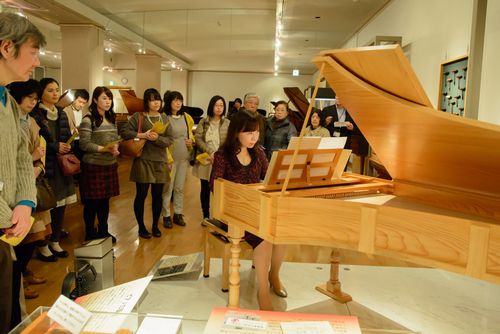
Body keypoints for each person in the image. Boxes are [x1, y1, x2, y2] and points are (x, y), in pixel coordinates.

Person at [210, 110, 287, 311]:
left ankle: (274, 275)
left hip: (255, 209)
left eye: (257, 132)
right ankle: (262, 290)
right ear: (237, 132)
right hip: (232, 212)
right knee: (266, 236)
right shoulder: (222, 155)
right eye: (249, 133)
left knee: (282, 231)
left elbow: (268, 177)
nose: (254, 137)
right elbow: (215, 185)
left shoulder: (259, 153)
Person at [0, 12, 44, 333]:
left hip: (6, 230)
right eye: (32, 52)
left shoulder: (10, 103)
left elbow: (19, 159)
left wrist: (26, 202)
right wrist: (7, 216)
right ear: (6, 47)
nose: (36, 62)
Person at [8, 79, 51, 312]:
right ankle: (18, 283)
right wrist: (31, 158)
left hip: (31, 186)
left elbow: (42, 149)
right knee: (18, 241)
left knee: (31, 238)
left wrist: (38, 166)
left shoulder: (31, 121)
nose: (33, 103)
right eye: (30, 98)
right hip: (13, 192)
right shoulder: (10, 120)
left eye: (36, 99)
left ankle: (21, 277)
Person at [30, 78, 76, 260]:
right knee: (46, 206)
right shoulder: (35, 114)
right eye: (50, 90)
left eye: (57, 90)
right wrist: (55, 147)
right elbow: (36, 144)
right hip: (44, 167)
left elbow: (64, 137)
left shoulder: (61, 113)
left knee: (61, 205)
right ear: (41, 93)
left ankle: (55, 241)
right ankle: (42, 244)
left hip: (61, 165)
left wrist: (67, 144)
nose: (55, 93)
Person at [121, 88, 172, 239]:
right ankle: (141, 227)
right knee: (141, 195)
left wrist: (156, 139)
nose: (156, 102)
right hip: (142, 160)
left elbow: (169, 140)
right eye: (152, 99)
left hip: (160, 161)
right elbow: (124, 131)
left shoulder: (164, 119)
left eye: (158, 99)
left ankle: (155, 225)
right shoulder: (139, 116)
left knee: (158, 196)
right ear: (146, 102)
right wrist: (143, 135)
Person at [78, 87, 121, 243]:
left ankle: (103, 230)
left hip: (110, 164)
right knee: (91, 203)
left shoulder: (112, 119)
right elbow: (84, 144)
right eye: (104, 98)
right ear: (95, 100)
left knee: (105, 202)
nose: (107, 101)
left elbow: (113, 138)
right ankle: (90, 232)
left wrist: (115, 148)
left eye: (109, 98)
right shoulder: (88, 120)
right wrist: (104, 149)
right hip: (93, 165)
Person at [192, 95, 229, 220]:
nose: (219, 108)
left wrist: (219, 155)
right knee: (205, 188)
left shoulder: (227, 123)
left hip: (221, 160)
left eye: (221, 105)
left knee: (219, 190)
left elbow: (230, 141)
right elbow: (198, 138)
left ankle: (218, 216)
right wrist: (209, 151)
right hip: (206, 159)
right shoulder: (204, 121)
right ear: (211, 106)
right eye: (216, 105)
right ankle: (206, 216)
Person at [161, 91, 194, 228]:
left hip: (183, 158)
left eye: (180, 100)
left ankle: (178, 214)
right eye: (175, 100)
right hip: (169, 159)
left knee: (179, 188)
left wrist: (190, 141)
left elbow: (190, 134)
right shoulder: (164, 118)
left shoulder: (186, 117)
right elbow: (161, 138)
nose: (178, 103)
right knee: (168, 188)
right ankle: (166, 215)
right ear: (169, 102)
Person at [63, 89, 89, 159]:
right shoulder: (65, 111)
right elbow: (62, 130)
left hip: (84, 141)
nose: (81, 105)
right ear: (74, 99)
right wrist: (72, 131)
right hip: (72, 142)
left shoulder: (86, 112)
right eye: (80, 102)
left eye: (84, 103)